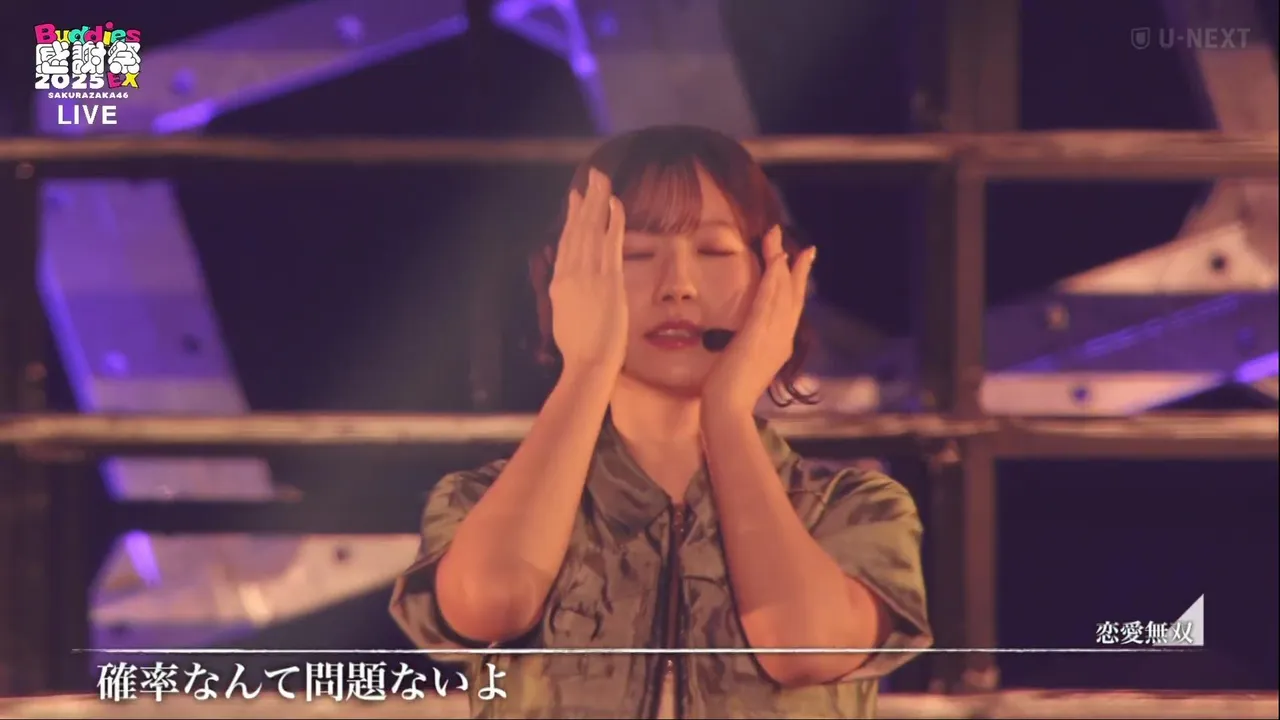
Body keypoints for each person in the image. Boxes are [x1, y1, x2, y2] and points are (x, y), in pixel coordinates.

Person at [390, 125, 932, 719]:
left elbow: (802, 645)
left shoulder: (854, 508)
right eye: (635, 254)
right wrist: (586, 368)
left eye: (714, 252)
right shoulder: (480, 500)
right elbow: (490, 602)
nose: (678, 286)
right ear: (569, 277)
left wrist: (727, 414)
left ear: (772, 275)